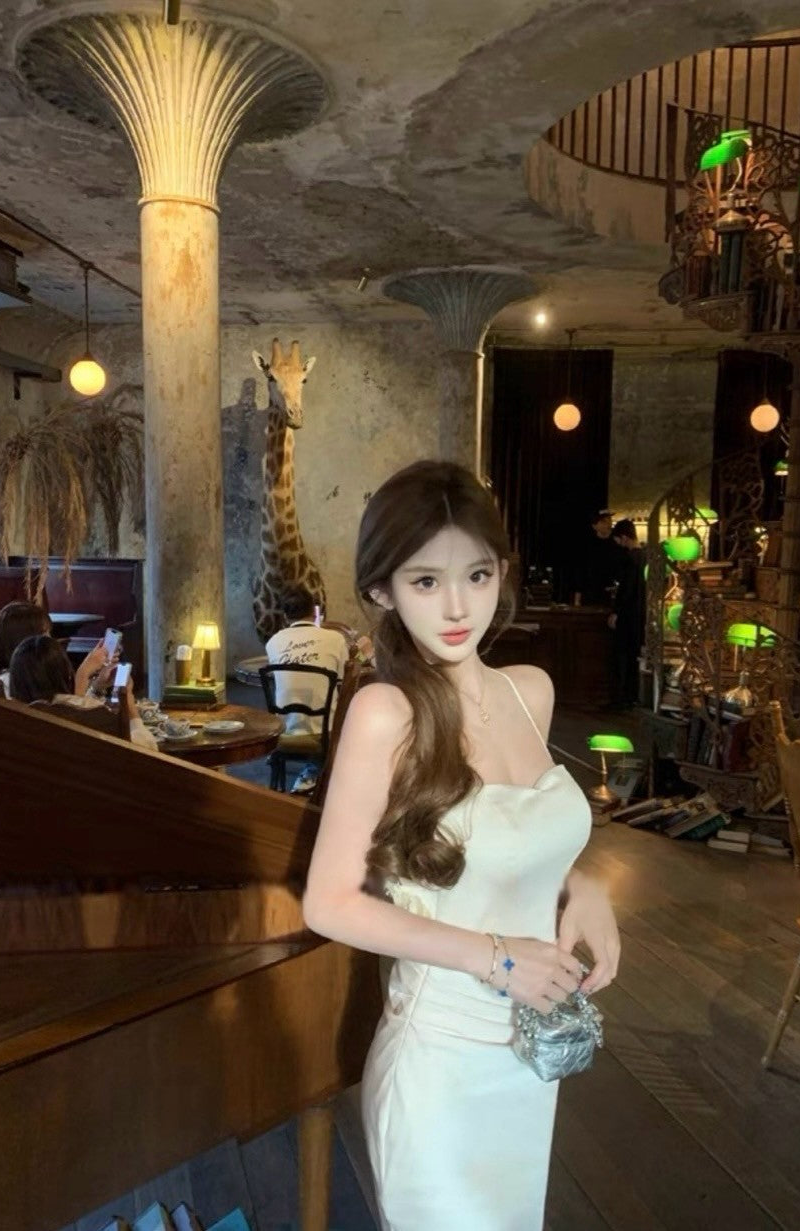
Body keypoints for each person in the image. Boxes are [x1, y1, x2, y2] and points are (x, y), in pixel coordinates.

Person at [303, 460, 620, 1231]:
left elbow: (513, 838)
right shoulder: (386, 712)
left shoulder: (528, 690)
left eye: (476, 575)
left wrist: (582, 885)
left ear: (501, 572)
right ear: (382, 590)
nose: (456, 607)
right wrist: (496, 958)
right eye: (425, 581)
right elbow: (329, 902)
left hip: (526, 1059)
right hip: (440, 1063)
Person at [264, 585, 350, 791]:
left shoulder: (273, 642)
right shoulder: (336, 639)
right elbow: (343, 681)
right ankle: (319, 774)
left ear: (285, 615)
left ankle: (306, 773)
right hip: (324, 734)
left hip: (282, 732)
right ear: (314, 611)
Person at [8, 634, 158, 750]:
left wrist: (96, 687)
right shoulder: (97, 715)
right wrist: (129, 701)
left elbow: (74, 708)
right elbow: (147, 747)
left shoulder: (11, 715)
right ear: (65, 672)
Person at [0, 601, 109, 699]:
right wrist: (83, 674)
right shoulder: (7, 681)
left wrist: (98, 686)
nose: (50, 640)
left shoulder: (36, 674)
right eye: (44, 634)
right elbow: (65, 718)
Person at [607, 518, 646, 709]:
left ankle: (620, 698)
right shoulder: (646, 557)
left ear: (623, 537)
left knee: (621, 657)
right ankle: (632, 696)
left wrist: (616, 612)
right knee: (634, 657)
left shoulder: (630, 559)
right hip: (641, 614)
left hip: (627, 615)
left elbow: (626, 590)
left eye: (618, 540)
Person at [583, 508, 623, 605]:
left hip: (614, 592)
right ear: (594, 526)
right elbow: (582, 570)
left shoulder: (618, 542)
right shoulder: (589, 544)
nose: (608, 524)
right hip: (593, 592)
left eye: (610, 520)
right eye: (603, 521)